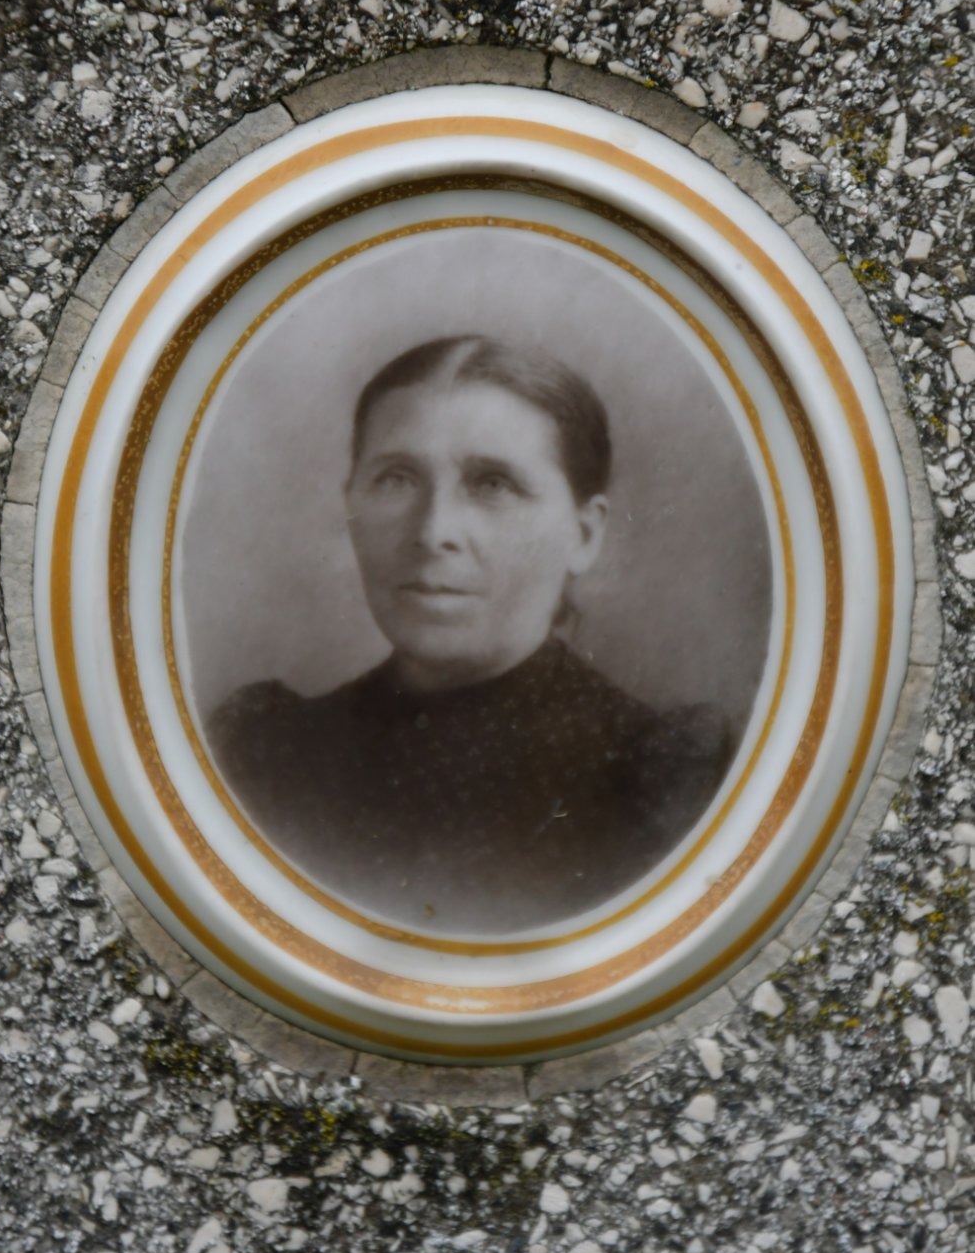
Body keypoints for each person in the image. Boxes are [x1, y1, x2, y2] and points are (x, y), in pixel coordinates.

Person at [208, 335, 731, 935]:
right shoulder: (269, 753)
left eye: (492, 484)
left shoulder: (656, 783)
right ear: (351, 504)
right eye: (397, 479)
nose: (433, 531)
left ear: (583, 535)